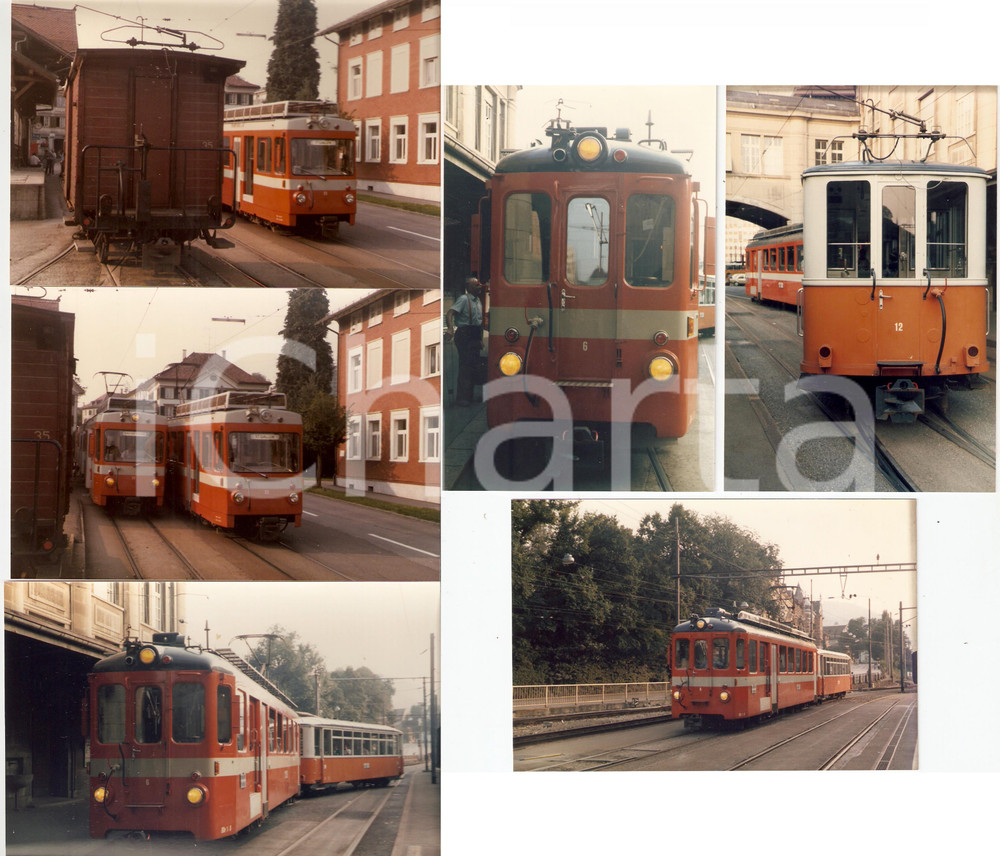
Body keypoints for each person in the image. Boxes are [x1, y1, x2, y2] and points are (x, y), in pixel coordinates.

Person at [445, 277, 485, 406]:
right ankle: (462, 399)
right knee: (465, 366)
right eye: (477, 284)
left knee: (473, 366)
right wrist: (450, 329)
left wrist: (480, 339)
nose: (480, 286)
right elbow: (450, 313)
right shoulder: (463, 299)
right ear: (469, 287)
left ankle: (469, 397)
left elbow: (479, 322)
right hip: (464, 334)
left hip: (474, 334)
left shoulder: (478, 300)